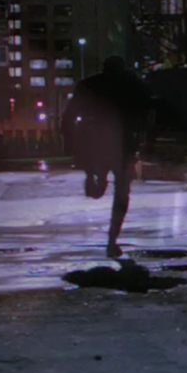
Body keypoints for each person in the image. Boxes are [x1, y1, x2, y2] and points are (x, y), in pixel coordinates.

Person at [63, 56, 153, 258]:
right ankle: (112, 239)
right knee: (122, 193)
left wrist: (72, 143)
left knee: (108, 189)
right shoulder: (131, 84)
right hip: (122, 145)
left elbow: (69, 116)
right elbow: (147, 110)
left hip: (97, 143)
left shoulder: (89, 85)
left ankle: (94, 179)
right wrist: (144, 137)